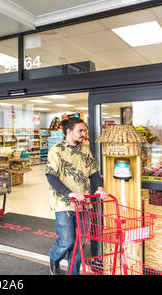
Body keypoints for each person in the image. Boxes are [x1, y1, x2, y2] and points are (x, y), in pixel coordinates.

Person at [45, 117, 108, 275]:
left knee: (80, 242)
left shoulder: (85, 149)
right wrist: (70, 193)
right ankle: (54, 256)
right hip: (64, 202)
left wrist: (99, 187)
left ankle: (73, 272)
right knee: (67, 240)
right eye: (81, 130)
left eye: (84, 130)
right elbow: (51, 176)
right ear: (69, 131)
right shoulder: (56, 150)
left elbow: (93, 171)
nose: (83, 133)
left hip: (85, 203)